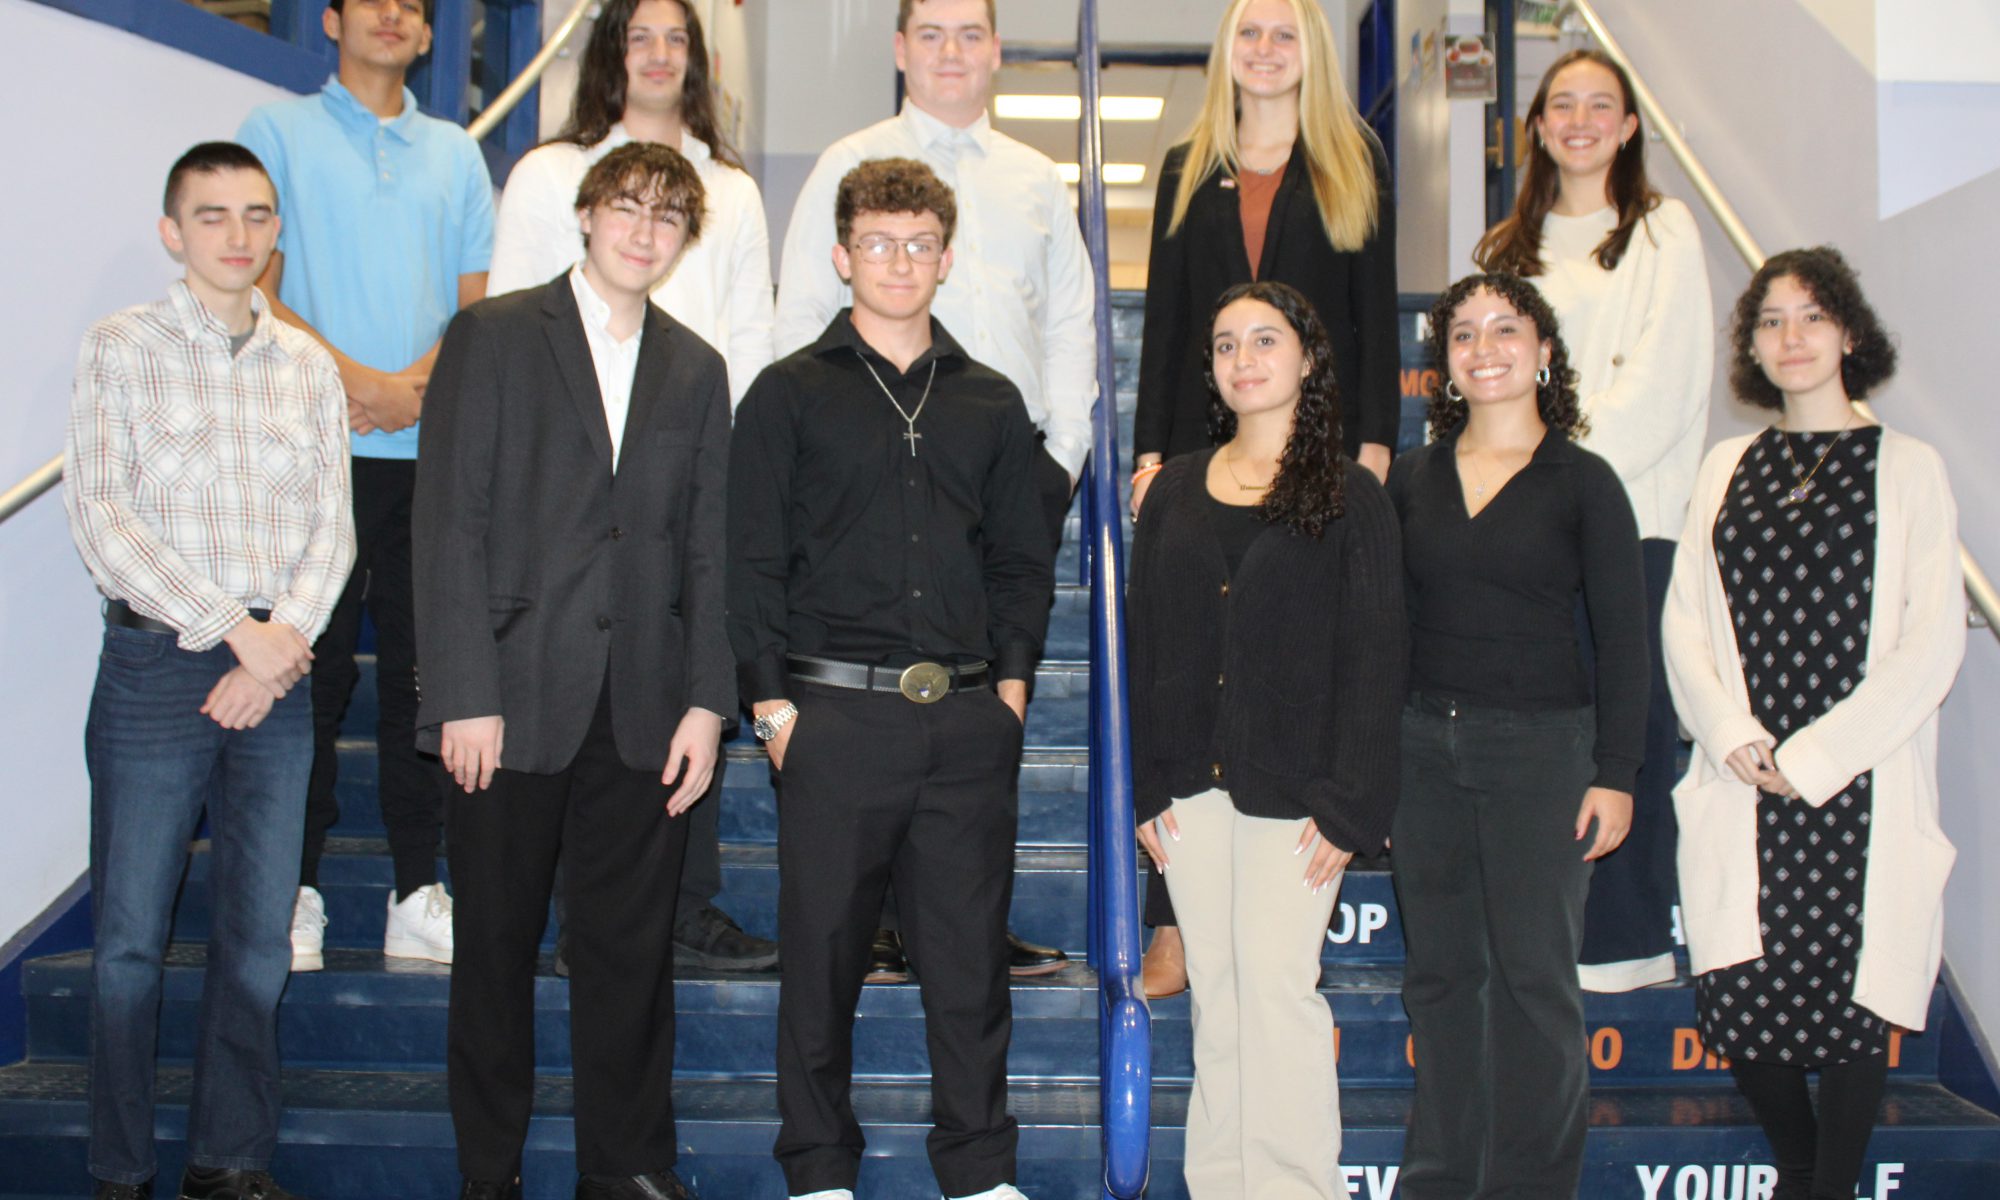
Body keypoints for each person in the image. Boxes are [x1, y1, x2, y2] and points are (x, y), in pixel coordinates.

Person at [730, 157, 1051, 1200]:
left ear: (945, 258)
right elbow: (749, 559)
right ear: (841, 257)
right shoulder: (786, 395)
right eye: (877, 242)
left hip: (963, 723)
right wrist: (771, 704)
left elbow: (1018, 562)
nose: (898, 260)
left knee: (966, 972)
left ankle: (976, 1170)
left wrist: (1007, 693)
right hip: (832, 720)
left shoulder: (991, 402)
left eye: (918, 243)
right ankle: (819, 1170)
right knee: (820, 966)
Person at [413, 142, 726, 1200]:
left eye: (667, 218)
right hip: (508, 697)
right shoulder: (495, 335)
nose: (644, 231)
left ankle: (628, 1167)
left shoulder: (696, 366)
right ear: (587, 214)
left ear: (684, 241)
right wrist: (461, 690)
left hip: (642, 704)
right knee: (493, 955)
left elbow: (707, 548)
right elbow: (448, 521)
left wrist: (705, 702)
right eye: (627, 208)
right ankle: (487, 1176)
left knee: (629, 962)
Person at [64, 141, 355, 1200]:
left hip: (276, 678)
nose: (239, 236)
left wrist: (277, 652)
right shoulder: (122, 348)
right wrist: (239, 629)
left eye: (258, 215)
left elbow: (334, 530)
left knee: (256, 943)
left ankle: (229, 1158)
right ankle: (120, 1167)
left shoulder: (310, 367)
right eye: (214, 215)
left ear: (278, 231)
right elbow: (104, 518)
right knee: (131, 945)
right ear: (171, 232)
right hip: (156, 668)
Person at [773, 0, 1083, 982]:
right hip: (873, 479)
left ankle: (959, 925)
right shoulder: (845, 161)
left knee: (979, 705)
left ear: (996, 51)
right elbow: (799, 320)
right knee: (884, 699)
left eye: (970, 32)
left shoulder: (1039, 180)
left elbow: (1072, 327)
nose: (951, 51)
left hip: (1002, 476)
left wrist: (1059, 460)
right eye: (932, 33)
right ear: (899, 48)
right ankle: (871, 919)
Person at [1663, 248, 1963, 1200]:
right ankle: (1797, 1166)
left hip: (1858, 779)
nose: (1791, 339)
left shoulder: (1908, 468)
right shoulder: (1727, 465)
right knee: (1740, 997)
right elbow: (1684, 618)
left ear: (1850, 333)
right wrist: (1731, 732)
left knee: (1852, 1006)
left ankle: (1828, 1185)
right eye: (1770, 322)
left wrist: (1821, 755)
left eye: (1811, 317)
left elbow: (1931, 640)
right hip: (1745, 771)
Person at [485, 0, 776, 974]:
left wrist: (733, 484)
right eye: (639, 35)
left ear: (698, 60)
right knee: (568, 701)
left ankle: (679, 908)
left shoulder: (731, 189)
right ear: (610, 52)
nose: (657, 53)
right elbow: (510, 326)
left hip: (688, 486)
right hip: (561, 499)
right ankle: (571, 915)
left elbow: (750, 336)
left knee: (681, 690)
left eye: (675, 38)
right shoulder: (546, 175)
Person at [1129, 0, 1398, 998]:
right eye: (1249, 32)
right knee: (1184, 678)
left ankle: (1290, 900)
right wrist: (1149, 450)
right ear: (1226, 52)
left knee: (1291, 672)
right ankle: (1175, 924)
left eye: (1285, 33)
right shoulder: (1185, 169)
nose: (1265, 49)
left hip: (1317, 455)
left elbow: (1370, 316)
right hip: (1206, 455)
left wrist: (1372, 449)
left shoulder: (1349, 166)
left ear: (1309, 53)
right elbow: (1163, 324)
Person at [1130, 281, 1405, 1198]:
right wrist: (1144, 792)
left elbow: (1376, 655)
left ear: (1307, 358)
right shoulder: (1170, 489)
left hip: (1301, 798)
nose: (1242, 360)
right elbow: (1143, 646)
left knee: (1279, 997)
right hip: (1189, 792)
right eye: (1223, 345)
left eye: (1264, 340)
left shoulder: (1351, 495)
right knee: (1218, 996)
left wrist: (1349, 803)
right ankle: (1221, 1185)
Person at [236, 0, 494, 972]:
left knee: (425, 686)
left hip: (433, 460)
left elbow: (477, 309)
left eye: (412, 7)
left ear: (429, 36)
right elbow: (262, 284)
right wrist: (359, 383)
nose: (393, 15)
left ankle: (415, 891)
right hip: (314, 455)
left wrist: (412, 388)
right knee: (314, 675)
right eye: (373, 0)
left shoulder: (456, 156)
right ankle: (291, 889)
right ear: (331, 20)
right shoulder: (277, 134)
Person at [1387, 273, 1648, 1199]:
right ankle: (1440, 1181)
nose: (1485, 346)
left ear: (1543, 349)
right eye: (1464, 333)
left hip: (1544, 756)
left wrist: (1616, 772)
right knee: (1443, 983)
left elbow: (1624, 640)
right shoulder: (1412, 479)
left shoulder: (1584, 481)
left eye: (1506, 328)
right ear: (1444, 363)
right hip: (1423, 754)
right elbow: (1390, 632)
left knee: (1537, 986)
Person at [1473, 47, 1713, 994]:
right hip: (1527, 535)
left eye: (1599, 105)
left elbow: (1665, 385)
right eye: (1560, 103)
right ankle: (1538, 932)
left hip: (1632, 522)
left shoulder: (1665, 232)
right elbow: (1488, 377)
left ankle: (1623, 944)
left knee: (1630, 728)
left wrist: (1554, 475)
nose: (1578, 119)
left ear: (1626, 127)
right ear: (1534, 124)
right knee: (1539, 731)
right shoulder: (1502, 252)